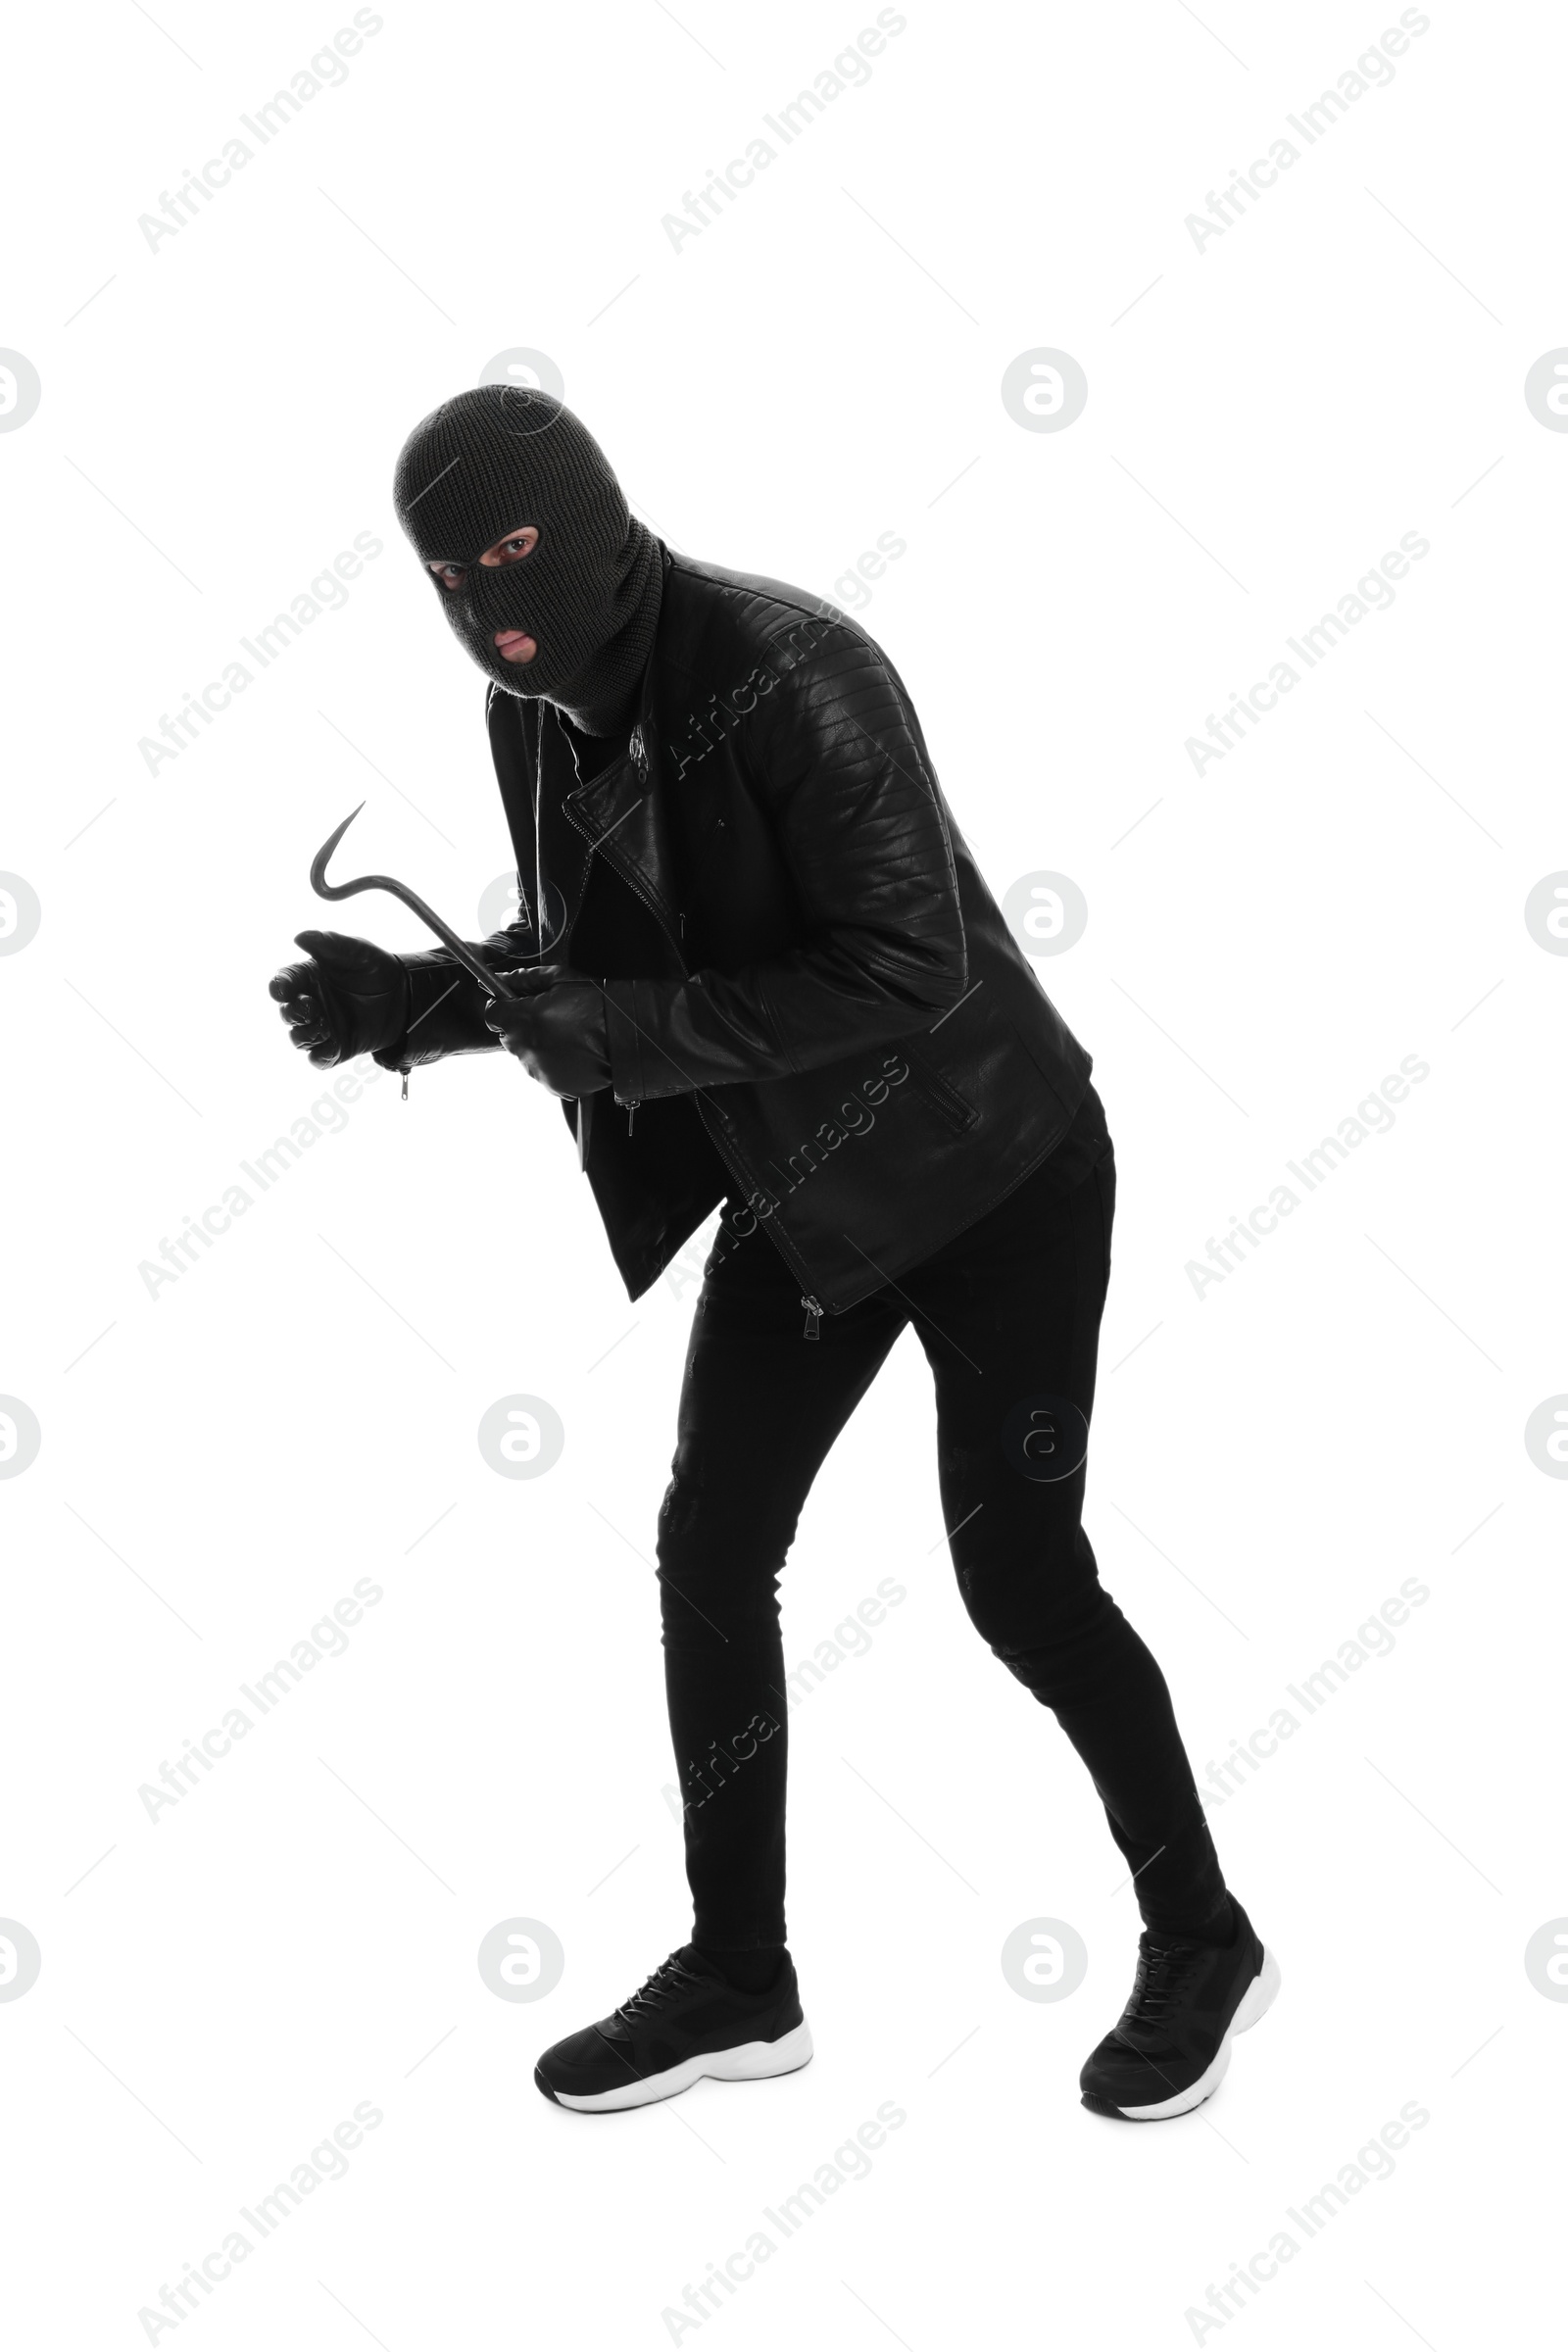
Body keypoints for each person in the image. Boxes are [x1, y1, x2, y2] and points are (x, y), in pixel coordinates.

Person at [270, 385, 1280, 2122]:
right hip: (804, 1196)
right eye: (455, 570)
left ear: (594, 518)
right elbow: (580, 953)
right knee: (709, 1551)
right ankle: (742, 1978)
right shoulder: (526, 715)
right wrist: (413, 1009)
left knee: (1021, 1582)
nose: (495, 595)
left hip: (996, 1176)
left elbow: (908, 965)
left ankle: (1206, 1934)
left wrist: (631, 1031)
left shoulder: (795, 664)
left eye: (520, 547)